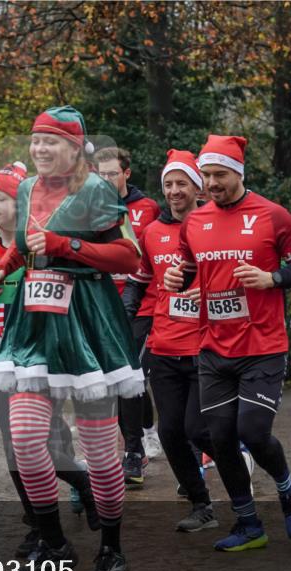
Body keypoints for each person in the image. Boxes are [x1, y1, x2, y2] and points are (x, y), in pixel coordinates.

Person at [0, 106, 143, 571]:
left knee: (98, 449)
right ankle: (53, 541)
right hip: (34, 322)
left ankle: (112, 550)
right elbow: (30, 245)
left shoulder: (96, 189)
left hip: (88, 323)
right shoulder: (30, 187)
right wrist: (5, 266)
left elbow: (126, 256)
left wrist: (66, 246)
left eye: (50, 142)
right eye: (35, 142)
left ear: (74, 149)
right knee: (28, 442)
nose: (39, 150)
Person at [162, 135, 291, 552]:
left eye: (220, 175)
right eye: (207, 175)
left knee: (251, 429)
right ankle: (249, 524)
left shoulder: (272, 215)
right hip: (213, 346)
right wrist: (180, 278)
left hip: (262, 344)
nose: (211, 182)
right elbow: (190, 267)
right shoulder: (195, 221)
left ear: (239, 174)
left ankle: (288, 489)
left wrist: (273, 279)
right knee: (218, 436)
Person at [0, 162, 100, 555]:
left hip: (41, 352)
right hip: (2, 355)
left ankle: (56, 519)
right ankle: (48, 520)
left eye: (1, 199)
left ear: (20, 203)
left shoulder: (40, 242)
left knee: (31, 440)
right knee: (18, 445)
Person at [124, 149, 218, 531]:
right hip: (164, 345)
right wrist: (124, 311)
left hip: (205, 346)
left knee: (198, 429)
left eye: (182, 183)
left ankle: (236, 456)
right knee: (169, 432)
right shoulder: (152, 232)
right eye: (168, 184)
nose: (174, 190)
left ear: (198, 186)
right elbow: (140, 278)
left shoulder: (214, 226)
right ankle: (201, 505)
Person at [94, 146, 162, 486]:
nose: (106, 179)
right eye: (101, 174)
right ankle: (143, 432)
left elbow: (160, 254)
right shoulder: (90, 207)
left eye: (112, 173)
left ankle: (133, 452)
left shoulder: (148, 208)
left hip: (143, 307)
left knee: (128, 376)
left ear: (126, 173)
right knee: (119, 382)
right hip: (104, 307)